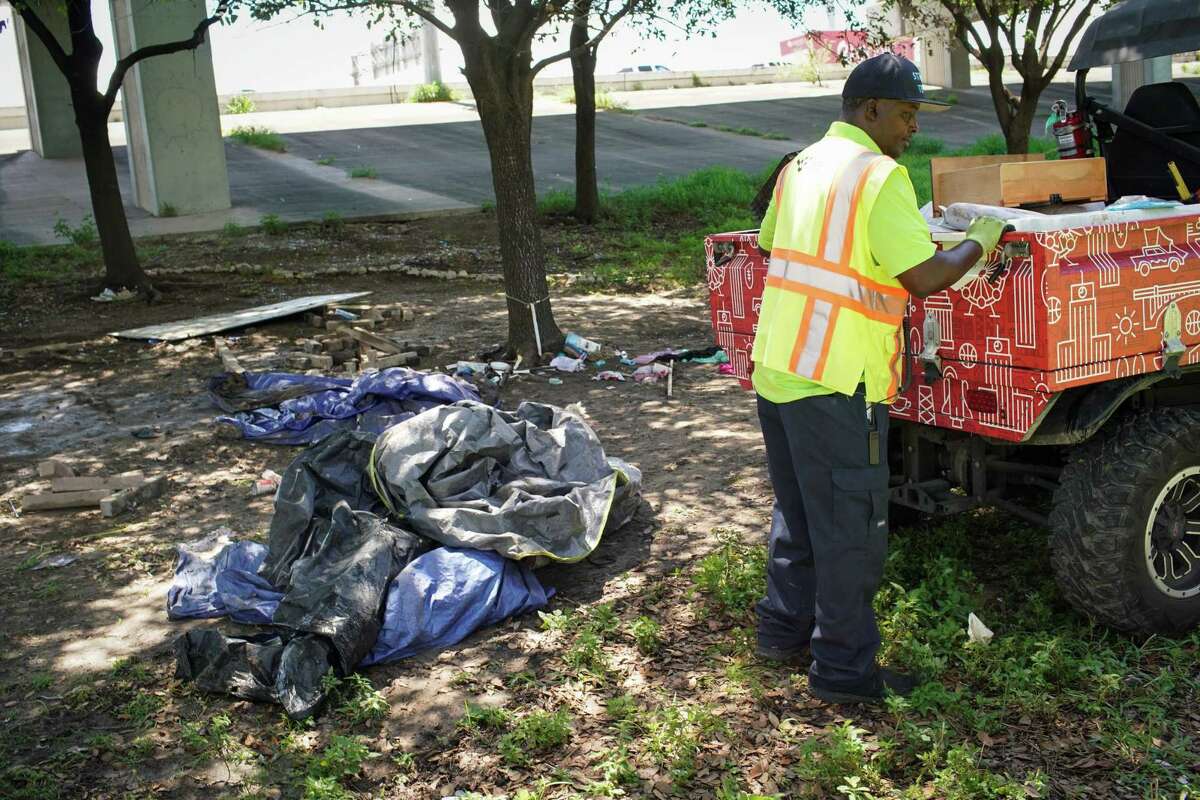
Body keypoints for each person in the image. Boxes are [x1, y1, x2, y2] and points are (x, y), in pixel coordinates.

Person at [750, 52, 1007, 704]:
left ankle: (781, 633)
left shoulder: (799, 164)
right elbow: (922, 277)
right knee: (850, 534)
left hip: (780, 369)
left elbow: (770, 242)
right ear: (870, 110)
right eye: (906, 114)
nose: (912, 128)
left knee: (799, 515)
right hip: (839, 380)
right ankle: (843, 675)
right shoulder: (880, 177)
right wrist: (981, 238)